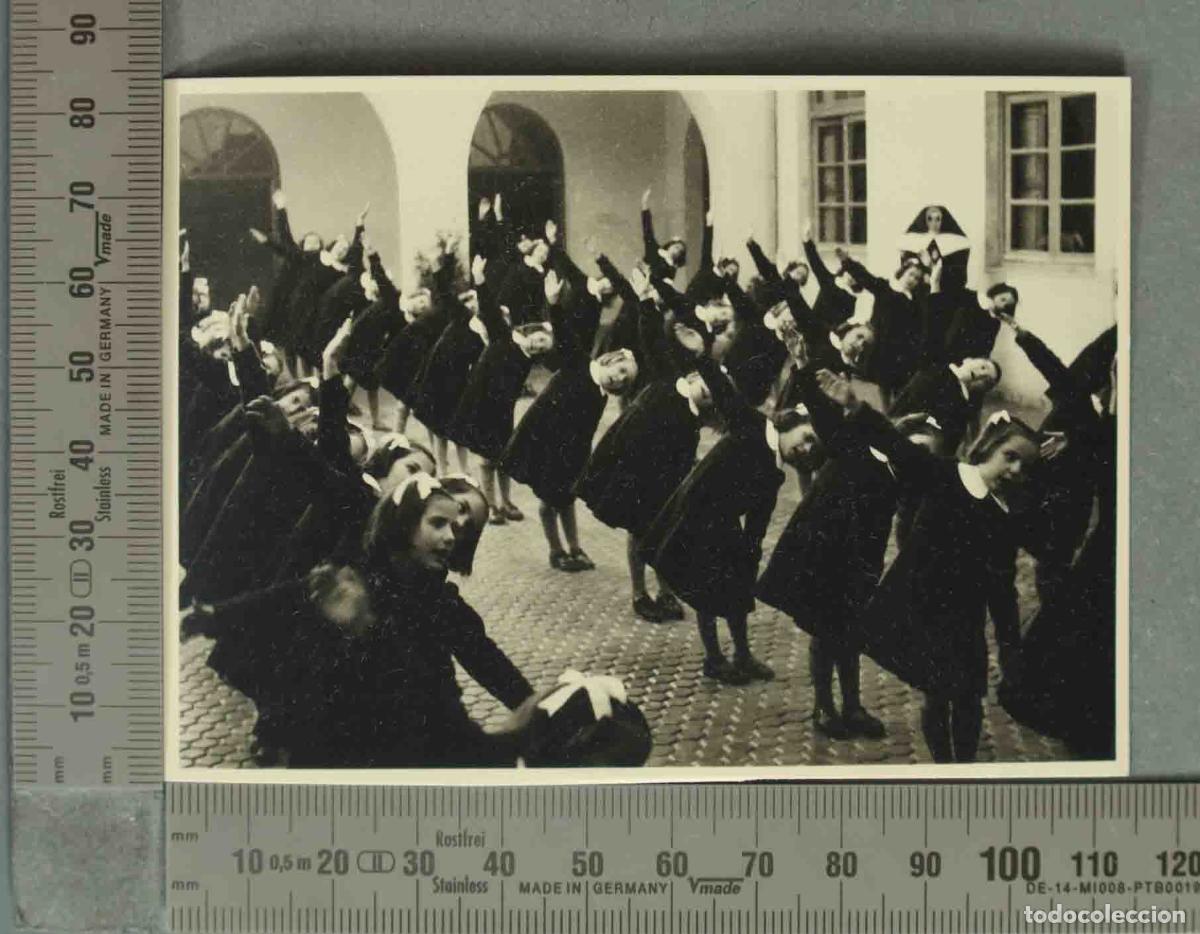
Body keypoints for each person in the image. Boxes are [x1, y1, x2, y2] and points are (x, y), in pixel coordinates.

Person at [837, 373, 1039, 763]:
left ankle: (963, 768)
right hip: (925, 611)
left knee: (968, 700)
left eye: (1024, 467)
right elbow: (899, 448)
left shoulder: (1005, 517)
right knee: (936, 697)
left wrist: (1009, 643)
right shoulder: (949, 476)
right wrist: (856, 408)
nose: (1014, 470)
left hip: (965, 621)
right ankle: (943, 764)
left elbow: (1002, 586)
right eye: (1009, 457)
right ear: (990, 449)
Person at [758, 357, 945, 740]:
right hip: (820, 554)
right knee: (825, 631)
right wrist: (806, 370)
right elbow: (827, 420)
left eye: (923, 450)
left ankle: (854, 705)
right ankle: (824, 707)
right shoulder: (854, 447)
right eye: (911, 444)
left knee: (851, 631)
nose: (911, 453)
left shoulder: (906, 481)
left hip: (861, 561)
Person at [999, 319, 1118, 760]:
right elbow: (1064, 378)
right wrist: (1026, 336)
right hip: (1096, 551)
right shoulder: (1096, 424)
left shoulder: (1102, 429)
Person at [641, 349, 796, 686]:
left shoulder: (776, 470)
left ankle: (742, 654)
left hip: (724, 521)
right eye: (806, 437)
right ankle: (714, 658)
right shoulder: (751, 424)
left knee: (738, 585)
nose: (806, 449)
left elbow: (759, 519)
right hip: (693, 517)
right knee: (706, 588)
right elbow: (723, 391)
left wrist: (750, 555)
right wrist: (700, 357)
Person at [576, 289, 713, 622]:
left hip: (669, 469)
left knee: (665, 529)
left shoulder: (700, 399)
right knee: (638, 528)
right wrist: (647, 303)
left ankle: (666, 591)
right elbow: (651, 336)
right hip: (635, 464)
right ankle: (640, 594)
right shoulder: (665, 374)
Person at [500, 265, 638, 572]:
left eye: (624, 381)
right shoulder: (579, 363)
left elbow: (588, 427)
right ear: (608, 359)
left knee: (567, 497)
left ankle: (576, 546)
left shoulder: (602, 392)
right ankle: (556, 550)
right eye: (619, 371)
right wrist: (553, 303)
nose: (618, 379)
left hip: (572, 448)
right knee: (550, 498)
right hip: (546, 441)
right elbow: (563, 332)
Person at [445, 264, 556, 524]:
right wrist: (481, 281)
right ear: (528, 333)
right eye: (538, 339)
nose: (538, 346)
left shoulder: (528, 358)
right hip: (481, 405)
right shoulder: (504, 339)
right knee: (486, 459)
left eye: (543, 345)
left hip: (502, 409)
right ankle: (490, 504)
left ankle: (506, 501)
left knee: (503, 456)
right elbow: (491, 311)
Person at [412, 256, 491, 473]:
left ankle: (464, 470)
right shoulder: (461, 317)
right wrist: (437, 272)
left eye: (474, 299)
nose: (472, 304)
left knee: (458, 426)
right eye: (467, 301)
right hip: (439, 377)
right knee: (439, 426)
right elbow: (446, 295)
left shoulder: (484, 326)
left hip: (459, 379)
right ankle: (443, 469)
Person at [837, 250, 929, 399]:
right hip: (883, 348)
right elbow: (866, 278)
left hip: (904, 352)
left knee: (901, 391)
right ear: (903, 272)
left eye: (917, 278)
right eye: (911, 274)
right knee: (882, 389)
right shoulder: (886, 288)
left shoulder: (916, 301)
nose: (912, 279)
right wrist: (847, 261)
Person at [898, 204, 971, 294]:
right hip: (919, 292)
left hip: (945, 291)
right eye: (930, 219)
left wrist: (931, 266)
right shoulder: (913, 241)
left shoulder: (956, 243)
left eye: (937, 219)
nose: (934, 223)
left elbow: (960, 276)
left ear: (943, 220)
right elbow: (906, 271)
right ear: (924, 220)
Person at [641, 187, 687, 287]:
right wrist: (644, 206)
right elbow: (648, 231)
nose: (675, 248)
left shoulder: (670, 271)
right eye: (676, 246)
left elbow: (664, 290)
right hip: (637, 282)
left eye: (678, 249)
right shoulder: (655, 250)